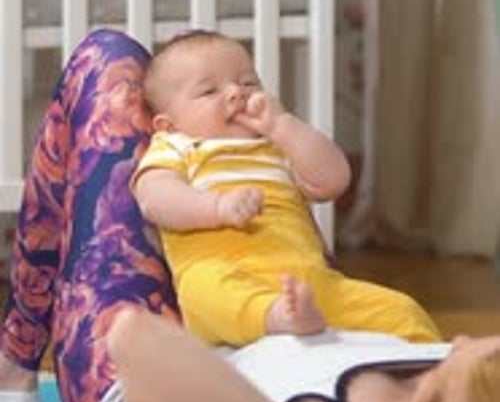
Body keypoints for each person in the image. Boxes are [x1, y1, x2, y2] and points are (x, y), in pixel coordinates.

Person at [1, 28, 498, 402]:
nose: (482, 339)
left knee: (111, 63)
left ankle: (13, 357)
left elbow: (139, 346)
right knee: (168, 96)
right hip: (284, 288)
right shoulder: (444, 379)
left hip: (143, 384)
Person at [132, 29, 441, 345]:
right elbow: (154, 198)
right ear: (167, 124)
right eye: (209, 91)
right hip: (228, 273)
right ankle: (274, 316)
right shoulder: (178, 146)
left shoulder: (276, 146)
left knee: (401, 309)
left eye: (247, 82)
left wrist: (282, 125)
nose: (236, 93)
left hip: (313, 285)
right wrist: (216, 207)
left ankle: (434, 372)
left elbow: (333, 180)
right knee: (205, 289)